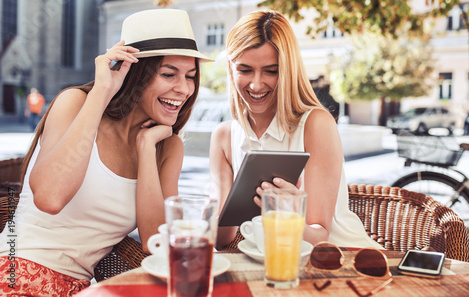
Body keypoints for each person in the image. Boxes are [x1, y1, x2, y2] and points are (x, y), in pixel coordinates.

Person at [0, 9, 212, 296]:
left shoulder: (168, 146)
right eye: (168, 74)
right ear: (137, 73)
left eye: (190, 76)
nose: (184, 88)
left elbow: (154, 241)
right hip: (15, 271)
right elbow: (50, 198)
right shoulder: (75, 103)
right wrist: (102, 91)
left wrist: (146, 148)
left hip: (79, 289)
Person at [210, 10, 381, 250]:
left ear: (288, 69)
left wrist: (291, 215)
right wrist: (225, 209)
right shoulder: (223, 137)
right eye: (245, 70)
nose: (256, 84)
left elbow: (320, 237)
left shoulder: (316, 124)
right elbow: (221, 241)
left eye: (271, 71)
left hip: (343, 259)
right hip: (272, 263)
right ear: (231, 68)